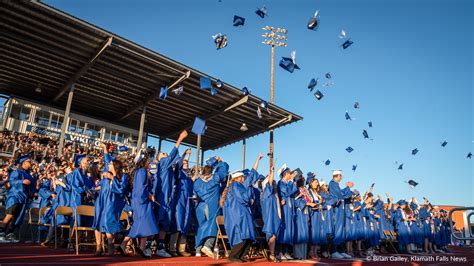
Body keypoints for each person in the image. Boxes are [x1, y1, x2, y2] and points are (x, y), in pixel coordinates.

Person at [221, 153, 262, 262]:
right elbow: (243, 198)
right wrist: (249, 190)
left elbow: (252, 175)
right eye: (242, 177)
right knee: (242, 235)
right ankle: (233, 256)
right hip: (238, 215)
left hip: (242, 214)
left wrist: (257, 159)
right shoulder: (235, 185)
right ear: (238, 178)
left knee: (248, 236)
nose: (244, 179)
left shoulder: (239, 185)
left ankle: (240, 256)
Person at [118, 150, 159, 258]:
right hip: (141, 202)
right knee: (139, 224)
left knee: (144, 225)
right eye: (148, 162)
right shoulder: (142, 172)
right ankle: (124, 244)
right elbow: (141, 189)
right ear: (143, 162)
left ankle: (141, 248)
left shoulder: (139, 172)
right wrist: (149, 196)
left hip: (141, 201)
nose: (149, 163)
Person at [152, 136, 183, 258]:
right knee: (157, 221)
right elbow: (172, 156)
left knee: (164, 224)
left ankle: (159, 247)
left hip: (168, 199)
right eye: (163, 153)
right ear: (159, 158)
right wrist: (179, 139)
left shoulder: (169, 168)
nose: (165, 154)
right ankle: (149, 246)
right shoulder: (163, 164)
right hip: (161, 198)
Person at [193, 155, 229, 258]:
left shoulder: (197, 182)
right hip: (212, 206)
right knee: (213, 225)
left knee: (199, 227)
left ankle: (198, 250)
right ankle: (207, 246)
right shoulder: (215, 178)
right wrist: (220, 161)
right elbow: (224, 169)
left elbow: (194, 194)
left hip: (199, 207)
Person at [92, 158, 129, 256]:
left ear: (115, 166)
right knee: (98, 222)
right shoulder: (105, 177)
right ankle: (99, 247)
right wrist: (93, 189)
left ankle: (110, 246)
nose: (108, 165)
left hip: (113, 204)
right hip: (101, 203)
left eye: (110, 164)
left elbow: (121, 190)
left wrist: (112, 178)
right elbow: (99, 187)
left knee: (109, 223)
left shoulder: (123, 177)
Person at [0, 154, 36, 242]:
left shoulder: (29, 175)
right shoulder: (16, 172)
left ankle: (10, 234)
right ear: (23, 163)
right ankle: (1, 232)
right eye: (28, 162)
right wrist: (21, 181)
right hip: (15, 196)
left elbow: (31, 187)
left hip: (24, 199)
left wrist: (32, 193)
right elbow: (11, 182)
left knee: (17, 217)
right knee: (10, 214)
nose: (30, 163)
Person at [169, 148, 193, 257]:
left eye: (187, 162)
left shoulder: (189, 178)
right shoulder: (178, 174)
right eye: (184, 162)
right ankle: (172, 248)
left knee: (185, 225)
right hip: (179, 202)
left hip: (188, 203)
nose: (185, 163)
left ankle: (181, 249)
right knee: (177, 224)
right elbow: (179, 164)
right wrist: (185, 155)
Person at [328, 170, 353, 259]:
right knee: (337, 230)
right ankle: (334, 251)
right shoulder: (332, 184)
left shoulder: (336, 185)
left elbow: (343, 194)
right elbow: (340, 195)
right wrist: (347, 188)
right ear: (336, 176)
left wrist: (348, 190)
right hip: (336, 209)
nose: (341, 177)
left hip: (340, 210)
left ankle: (341, 251)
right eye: (340, 176)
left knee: (341, 231)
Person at [276, 164, 298, 260]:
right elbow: (288, 192)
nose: (291, 174)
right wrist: (291, 182)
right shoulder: (281, 183)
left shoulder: (287, 183)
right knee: (284, 231)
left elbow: (293, 192)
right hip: (284, 210)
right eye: (289, 173)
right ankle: (280, 252)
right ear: (285, 174)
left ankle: (286, 251)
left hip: (290, 209)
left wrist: (292, 183)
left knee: (289, 231)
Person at [259, 165, 280, 262]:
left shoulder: (270, 195)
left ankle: (272, 253)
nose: (274, 185)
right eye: (273, 184)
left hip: (273, 218)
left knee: (274, 235)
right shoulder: (266, 194)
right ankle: (271, 254)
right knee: (272, 235)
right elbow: (270, 183)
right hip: (269, 219)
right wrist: (271, 172)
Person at [293, 174, 314, 259]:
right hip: (299, 212)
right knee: (300, 233)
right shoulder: (295, 189)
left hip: (305, 212)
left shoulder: (304, 189)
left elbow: (310, 199)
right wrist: (306, 203)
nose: (302, 180)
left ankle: (303, 254)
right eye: (300, 178)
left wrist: (308, 199)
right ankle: (298, 254)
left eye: (303, 178)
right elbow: (296, 201)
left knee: (305, 232)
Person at [307, 173, 322, 260]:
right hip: (312, 214)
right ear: (311, 183)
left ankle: (315, 251)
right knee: (313, 233)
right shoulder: (309, 192)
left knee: (317, 233)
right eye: (315, 182)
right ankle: (311, 251)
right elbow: (309, 203)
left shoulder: (318, 193)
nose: (317, 183)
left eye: (317, 182)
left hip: (318, 213)